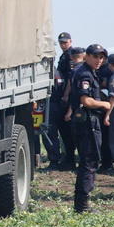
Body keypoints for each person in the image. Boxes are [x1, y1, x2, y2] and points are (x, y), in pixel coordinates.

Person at [69, 44, 111, 213]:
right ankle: (82, 205)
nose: (99, 60)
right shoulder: (85, 74)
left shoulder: (90, 73)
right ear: (87, 56)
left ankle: (82, 203)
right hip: (87, 123)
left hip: (89, 122)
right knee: (89, 162)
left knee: (89, 162)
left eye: (101, 57)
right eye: (95, 56)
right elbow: (86, 101)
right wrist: (105, 104)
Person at [44, 32, 73, 168]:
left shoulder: (69, 56)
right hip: (60, 101)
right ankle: (66, 159)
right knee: (63, 131)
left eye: (65, 42)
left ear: (70, 42)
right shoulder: (63, 57)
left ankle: (60, 159)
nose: (63, 45)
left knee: (54, 130)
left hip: (60, 101)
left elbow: (70, 79)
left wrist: (66, 96)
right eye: (61, 42)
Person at [59, 47, 86, 169]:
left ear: (72, 57)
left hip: (76, 109)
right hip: (81, 108)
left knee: (74, 137)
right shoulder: (83, 69)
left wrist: (69, 111)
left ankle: (73, 162)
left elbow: (75, 94)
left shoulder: (77, 71)